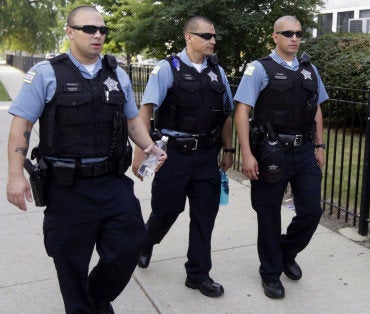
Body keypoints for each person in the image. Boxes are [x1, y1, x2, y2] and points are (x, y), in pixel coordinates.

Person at [6, 5, 166, 313]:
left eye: (102, 30)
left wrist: (150, 147)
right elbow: (21, 126)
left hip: (112, 184)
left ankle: (96, 296)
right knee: (70, 263)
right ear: (69, 32)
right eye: (89, 29)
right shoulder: (46, 73)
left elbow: (132, 120)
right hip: (67, 189)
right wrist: (15, 176)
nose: (98, 36)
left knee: (129, 245)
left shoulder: (116, 73)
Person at [131, 16, 234, 298]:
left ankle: (198, 274)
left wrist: (229, 149)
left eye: (214, 36)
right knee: (166, 211)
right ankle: (145, 242)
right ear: (189, 37)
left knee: (205, 216)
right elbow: (146, 111)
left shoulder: (218, 71)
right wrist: (139, 155)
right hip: (173, 155)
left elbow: (226, 114)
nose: (213, 41)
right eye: (206, 36)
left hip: (206, 156)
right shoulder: (166, 68)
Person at [233, 15, 328, 299]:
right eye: (288, 33)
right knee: (269, 215)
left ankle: (286, 251)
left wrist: (320, 146)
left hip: (303, 150)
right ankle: (271, 273)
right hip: (270, 151)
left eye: (298, 33)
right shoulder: (259, 68)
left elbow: (317, 109)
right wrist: (246, 154)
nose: (295, 38)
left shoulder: (309, 69)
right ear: (275, 37)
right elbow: (241, 111)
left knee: (312, 211)